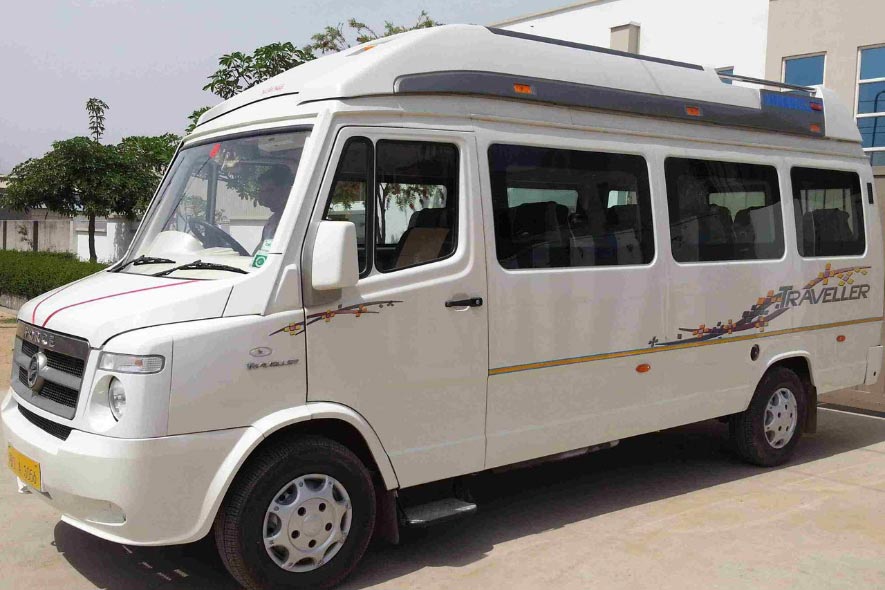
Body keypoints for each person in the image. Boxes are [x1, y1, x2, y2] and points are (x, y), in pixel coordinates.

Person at [257, 165, 294, 244]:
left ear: (287, 190)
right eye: (262, 191)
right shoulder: (271, 223)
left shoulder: (295, 222)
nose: (265, 196)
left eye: (270, 190)